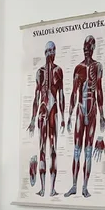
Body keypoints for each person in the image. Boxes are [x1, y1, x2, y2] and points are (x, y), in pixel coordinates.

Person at [64, 36, 105, 198]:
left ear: (93, 48)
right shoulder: (78, 68)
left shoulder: (98, 66)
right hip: (81, 112)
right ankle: (74, 185)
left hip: (92, 112)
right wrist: (69, 115)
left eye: (89, 47)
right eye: (84, 47)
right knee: (77, 150)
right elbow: (74, 93)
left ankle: (85, 187)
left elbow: (99, 90)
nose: (86, 50)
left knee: (88, 152)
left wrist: (102, 115)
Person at [28, 41, 65, 196]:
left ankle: (52, 189)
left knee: (53, 149)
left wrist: (63, 117)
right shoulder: (40, 72)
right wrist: (32, 119)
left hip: (53, 111)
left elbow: (61, 94)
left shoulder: (58, 71)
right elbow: (36, 96)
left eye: (53, 50)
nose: (51, 53)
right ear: (45, 53)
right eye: (48, 50)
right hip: (43, 112)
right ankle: (43, 188)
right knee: (42, 149)